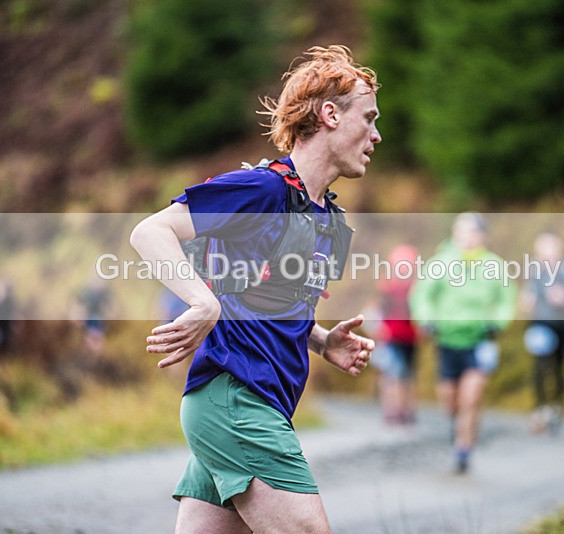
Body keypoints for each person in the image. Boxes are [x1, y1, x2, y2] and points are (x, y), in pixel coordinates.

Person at [130, 45, 380, 533]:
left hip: (254, 406)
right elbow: (150, 232)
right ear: (330, 114)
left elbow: (266, 300)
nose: (376, 135)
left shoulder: (327, 219)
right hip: (236, 398)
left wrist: (322, 340)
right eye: (368, 119)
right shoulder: (261, 190)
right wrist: (202, 301)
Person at [409, 212, 516, 473]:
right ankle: (458, 426)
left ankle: (464, 447)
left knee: (471, 396)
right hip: (446, 340)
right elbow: (421, 295)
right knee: (450, 401)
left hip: (479, 340)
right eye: (460, 232)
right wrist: (427, 319)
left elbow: (507, 300)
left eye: (471, 232)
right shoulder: (441, 263)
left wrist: (497, 322)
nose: (465, 238)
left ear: (483, 236)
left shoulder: (495, 265)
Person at [520, 231, 564, 435]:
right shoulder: (534, 269)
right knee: (540, 366)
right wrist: (527, 299)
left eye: (550, 249)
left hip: (562, 325)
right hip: (539, 323)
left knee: (559, 367)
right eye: (541, 250)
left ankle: (557, 407)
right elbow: (528, 291)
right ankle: (540, 409)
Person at [368, 244, 420, 425]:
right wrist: (377, 329)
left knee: (405, 374)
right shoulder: (387, 285)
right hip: (391, 336)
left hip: (410, 336)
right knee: (394, 372)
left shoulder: (416, 286)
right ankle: (394, 410)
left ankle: (404, 409)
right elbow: (377, 308)